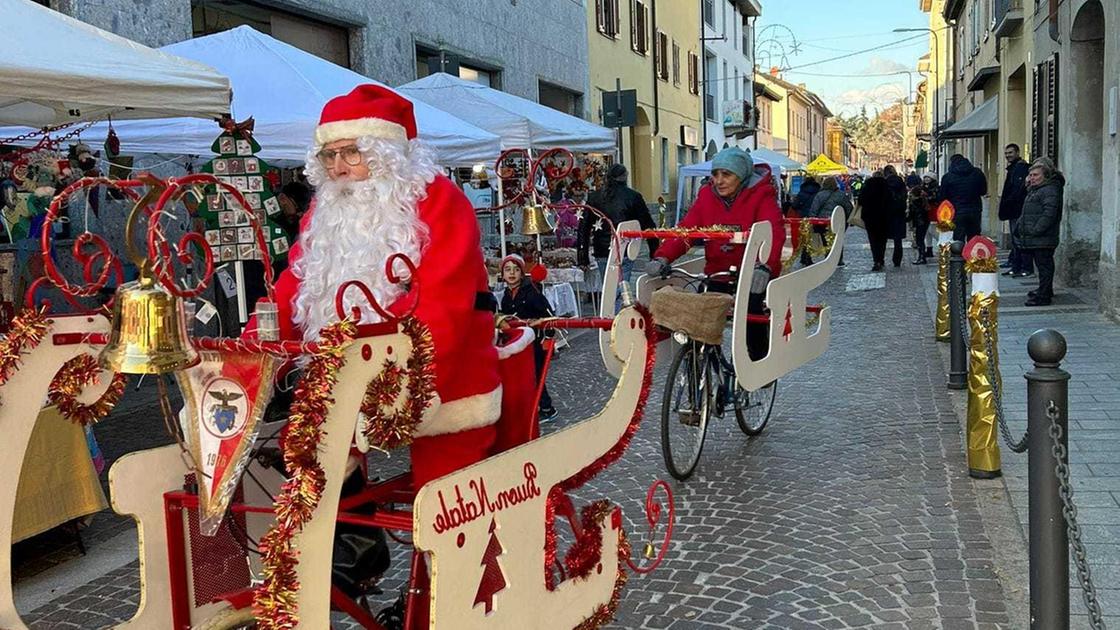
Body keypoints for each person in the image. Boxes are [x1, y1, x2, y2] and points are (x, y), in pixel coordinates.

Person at [645, 147, 784, 360]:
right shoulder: (706, 196)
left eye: (726, 175)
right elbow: (687, 231)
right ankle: (703, 366)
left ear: (741, 176)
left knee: (751, 310)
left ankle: (758, 361)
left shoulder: (761, 196)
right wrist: (663, 256)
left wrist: (766, 266)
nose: (719, 181)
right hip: (717, 271)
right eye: (715, 174)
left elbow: (773, 233)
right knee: (700, 312)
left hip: (753, 272)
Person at [497, 254, 557, 420]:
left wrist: (543, 329)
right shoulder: (506, 296)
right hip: (517, 342)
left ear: (522, 274)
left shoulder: (532, 292)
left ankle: (547, 407)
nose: (512, 273)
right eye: (507, 270)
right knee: (523, 375)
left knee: (536, 374)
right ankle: (528, 406)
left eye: (516, 270)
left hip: (534, 341)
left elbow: (549, 315)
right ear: (502, 274)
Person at [579, 163, 657, 285]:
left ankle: (611, 304)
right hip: (624, 248)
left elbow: (584, 228)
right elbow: (648, 225)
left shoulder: (595, 197)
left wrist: (582, 257)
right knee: (621, 287)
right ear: (625, 176)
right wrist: (654, 251)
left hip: (602, 249)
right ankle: (617, 304)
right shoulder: (633, 197)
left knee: (608, 287)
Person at [1015, 158, 1065, 306]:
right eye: (1031, 175)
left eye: (1036, 175)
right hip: (1036, 236)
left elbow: (1049, 213)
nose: (1032, 178)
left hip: (1043, 236)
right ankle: (1045, 290)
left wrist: (1035, 230)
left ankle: (1043, 296)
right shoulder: (1037, 189)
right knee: (1042, 265)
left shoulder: (1050, 189)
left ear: (1046, 175)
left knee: (1044, 266)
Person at [998, 143, 1032, 278]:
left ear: (1017, 153)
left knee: (1019, 239)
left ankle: (1023, 267)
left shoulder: (1020, 168)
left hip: (1018, 209)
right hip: (1014, 209)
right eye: (1006, 153)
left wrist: (1008, 202)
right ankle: (1016, 265)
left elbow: (1018, 190)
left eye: (1010, 153)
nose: (1008, 156)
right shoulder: (1013, 168)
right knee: (1015, 239)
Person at [804, 176, 851, 266]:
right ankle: (838, 259)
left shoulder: (820, 195)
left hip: (823, 222)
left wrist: (813, 221)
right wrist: (847, 220)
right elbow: (848, 208)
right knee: (838, 240)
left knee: (825, 240)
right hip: (838, 221)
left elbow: (814, 209)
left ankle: (828, 257)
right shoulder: (841, 194)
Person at [940, 154, 987, 241]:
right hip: (975, 210)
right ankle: (972, 254)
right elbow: (983, 191)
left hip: (957, 211)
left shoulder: (947, 177)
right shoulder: (977, 173)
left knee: (958, 237)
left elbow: (943, 196)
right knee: (974, 237)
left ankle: (958, 253)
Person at [858, 169, 891, 271]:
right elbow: (890, 200)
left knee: (873, 240)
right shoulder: (886, 186)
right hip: (884, 217)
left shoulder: (867, 186)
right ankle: (881, 259)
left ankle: (876, 260)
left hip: (870, 217)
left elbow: (860, 200)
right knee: (882, 240)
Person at [907, 176, 932, 265]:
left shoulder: (914, 203)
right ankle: (922, 256)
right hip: (925, 221)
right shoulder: (923, 200)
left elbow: (911, 215)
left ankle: (922, 257)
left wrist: (905, 219)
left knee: (919, 240)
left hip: (919, 222)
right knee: (921, 239)